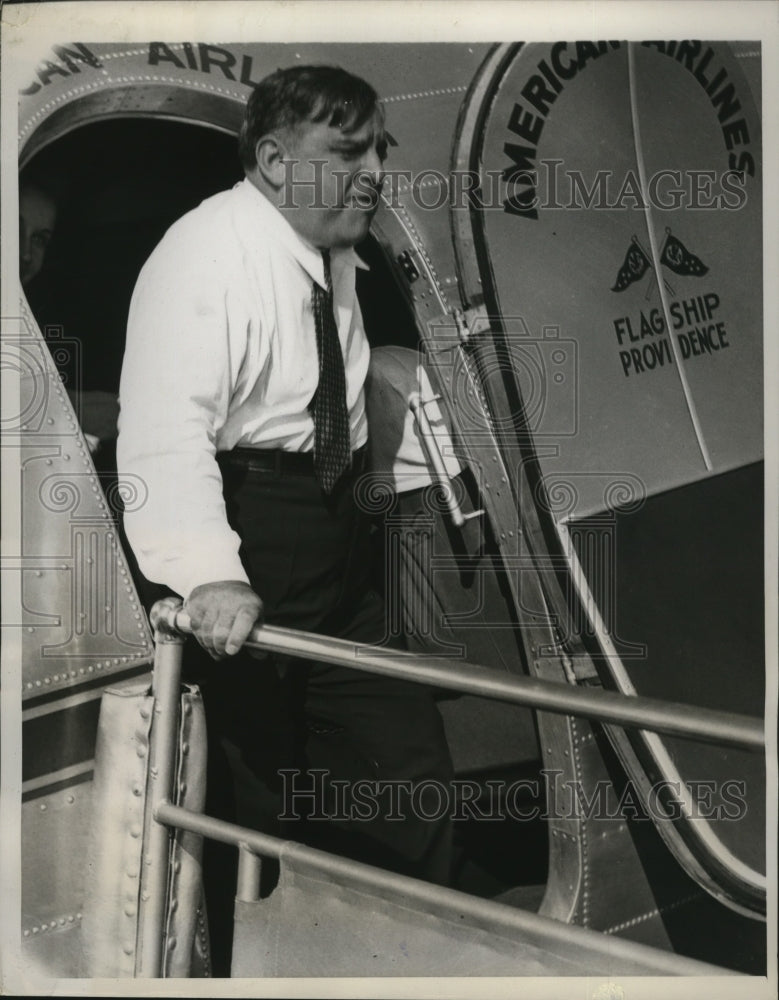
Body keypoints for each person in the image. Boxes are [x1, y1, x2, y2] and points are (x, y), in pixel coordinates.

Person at [117, 67, 454, 958]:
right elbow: (162, 436)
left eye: (380, 147)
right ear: (272, 160)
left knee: (402, 764)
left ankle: (424, 959)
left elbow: (337, 397)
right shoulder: (203, 254)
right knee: (255, 799)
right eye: (348, 151)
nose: (375, 168)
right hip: (249, 528)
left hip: (336, 530)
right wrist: (212, 574)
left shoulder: (331, 252)